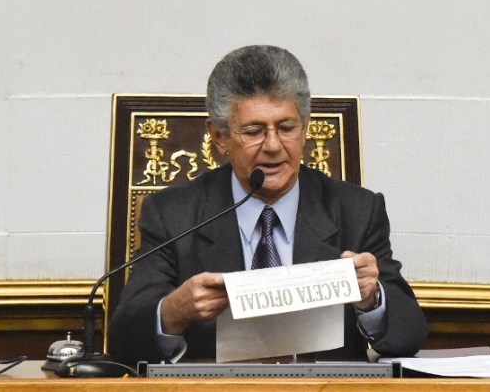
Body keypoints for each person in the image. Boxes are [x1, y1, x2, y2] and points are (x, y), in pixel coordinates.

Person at [108, 45, 427, 365]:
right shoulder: (173, 215)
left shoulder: (356, 210)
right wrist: (174, 311)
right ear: (219, 137)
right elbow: (124, 344)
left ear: (305, 128)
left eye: (286, 128)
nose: (273, 146)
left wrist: (371, 300)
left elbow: (409, 335)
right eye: (254, 131)